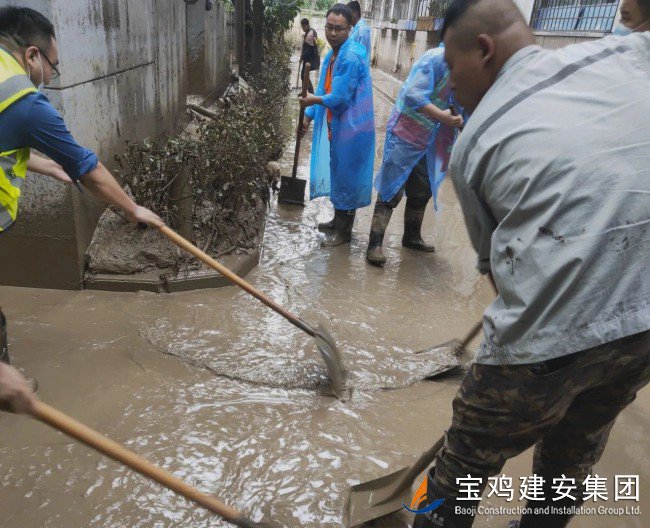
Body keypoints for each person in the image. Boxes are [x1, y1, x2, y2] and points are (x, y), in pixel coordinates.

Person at [412, 1, 650, 527]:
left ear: (484, 50)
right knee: (572, 456)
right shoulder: (622, 57)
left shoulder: (474, 143)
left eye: (450, 66)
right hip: (642, 328)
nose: (449, 85)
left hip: (549, 342)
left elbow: (502, 278)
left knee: (459, 469)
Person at [0, 7, 163, 410]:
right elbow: (88, 170)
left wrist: (42, 164)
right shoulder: (23, 100)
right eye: (53, 66)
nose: (50, 76)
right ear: (32, 55)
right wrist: (132, 209)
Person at [366, 44, 463, 266]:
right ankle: (374, 244)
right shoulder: (435, 59)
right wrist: (443, 117)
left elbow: (462, 103)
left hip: (433, 138)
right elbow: (413, 94)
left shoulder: (469, 66)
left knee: (422, 188)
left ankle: (412, 237)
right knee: (392, 188)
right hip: (406, 132)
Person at [300, 4, 375, 247]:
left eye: (338, 29)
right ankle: (337, 221)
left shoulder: (350, 56)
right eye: (329, 27)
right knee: (339, 175)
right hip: (340, 126)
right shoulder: (333, 55)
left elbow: (340, 99)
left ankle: (344, 234)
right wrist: (308, 116)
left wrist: (312, 100)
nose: (332, 33)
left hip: (353, 129)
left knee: (348, 179)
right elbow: (324, 88)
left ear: (349, 28)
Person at [300, 18, 320, 94]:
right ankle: (304, 92)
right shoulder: (311, 31)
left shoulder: (310, 35)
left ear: (307, 25)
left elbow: (307, 51)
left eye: (303, 27)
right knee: (304, 75)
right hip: (309, 58)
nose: (302, 28)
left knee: (304, 75)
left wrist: (301, 57)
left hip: (310, 59)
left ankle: (311, 93)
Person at [348, 1, 372, 65]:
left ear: (355, 14)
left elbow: (362, 56)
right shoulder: (355, 29)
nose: (346, 18)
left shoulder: (362, 30)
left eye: (348, 14)